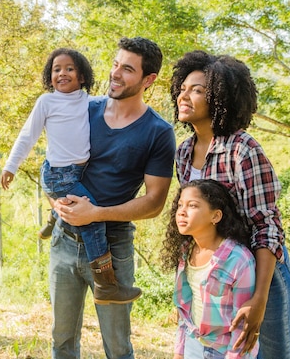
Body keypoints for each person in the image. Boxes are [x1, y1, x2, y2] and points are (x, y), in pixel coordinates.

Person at [52, 37, 176, 359]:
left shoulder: (158, 132)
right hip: (64, 240)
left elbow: (154, 202)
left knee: (118, 348)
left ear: (149, 80)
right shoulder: (84, 108)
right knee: (62, 342)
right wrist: (55, 202)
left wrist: (95, 213)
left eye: (128, 69)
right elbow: (55, 163)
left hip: (113, 248)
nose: (116, 74)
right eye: (115, 64)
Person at [170, 50, 290, 359]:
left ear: (219, 97)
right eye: (183, 89)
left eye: (197, 90)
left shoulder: (243, 149)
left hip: (259, 272)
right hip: (214, 275)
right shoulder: (184, 153)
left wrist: (259, 299)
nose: (184, 96)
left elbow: (266, 227)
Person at [0, 47, 141, 305]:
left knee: (82, 197)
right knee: (93, 219)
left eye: (69, 69)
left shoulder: (88, 101)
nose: (62, 73)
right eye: (56, 69)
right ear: (49, 76)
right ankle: (105, 284)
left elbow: (116, 104)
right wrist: (11, 166)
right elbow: (27, 135)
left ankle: (54, 218)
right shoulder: (47, 102)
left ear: (82, 76)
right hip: (59, 176)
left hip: (77, 172)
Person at [161, 179, 258, 359]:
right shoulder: (186, 251)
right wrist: (178, 353)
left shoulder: (238, 260)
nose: (181, 211)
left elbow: (242, 327)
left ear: (216, 216)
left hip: (224, 351)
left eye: (192, 205)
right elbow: (185, 311)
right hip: (193, 345)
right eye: (180, 205)